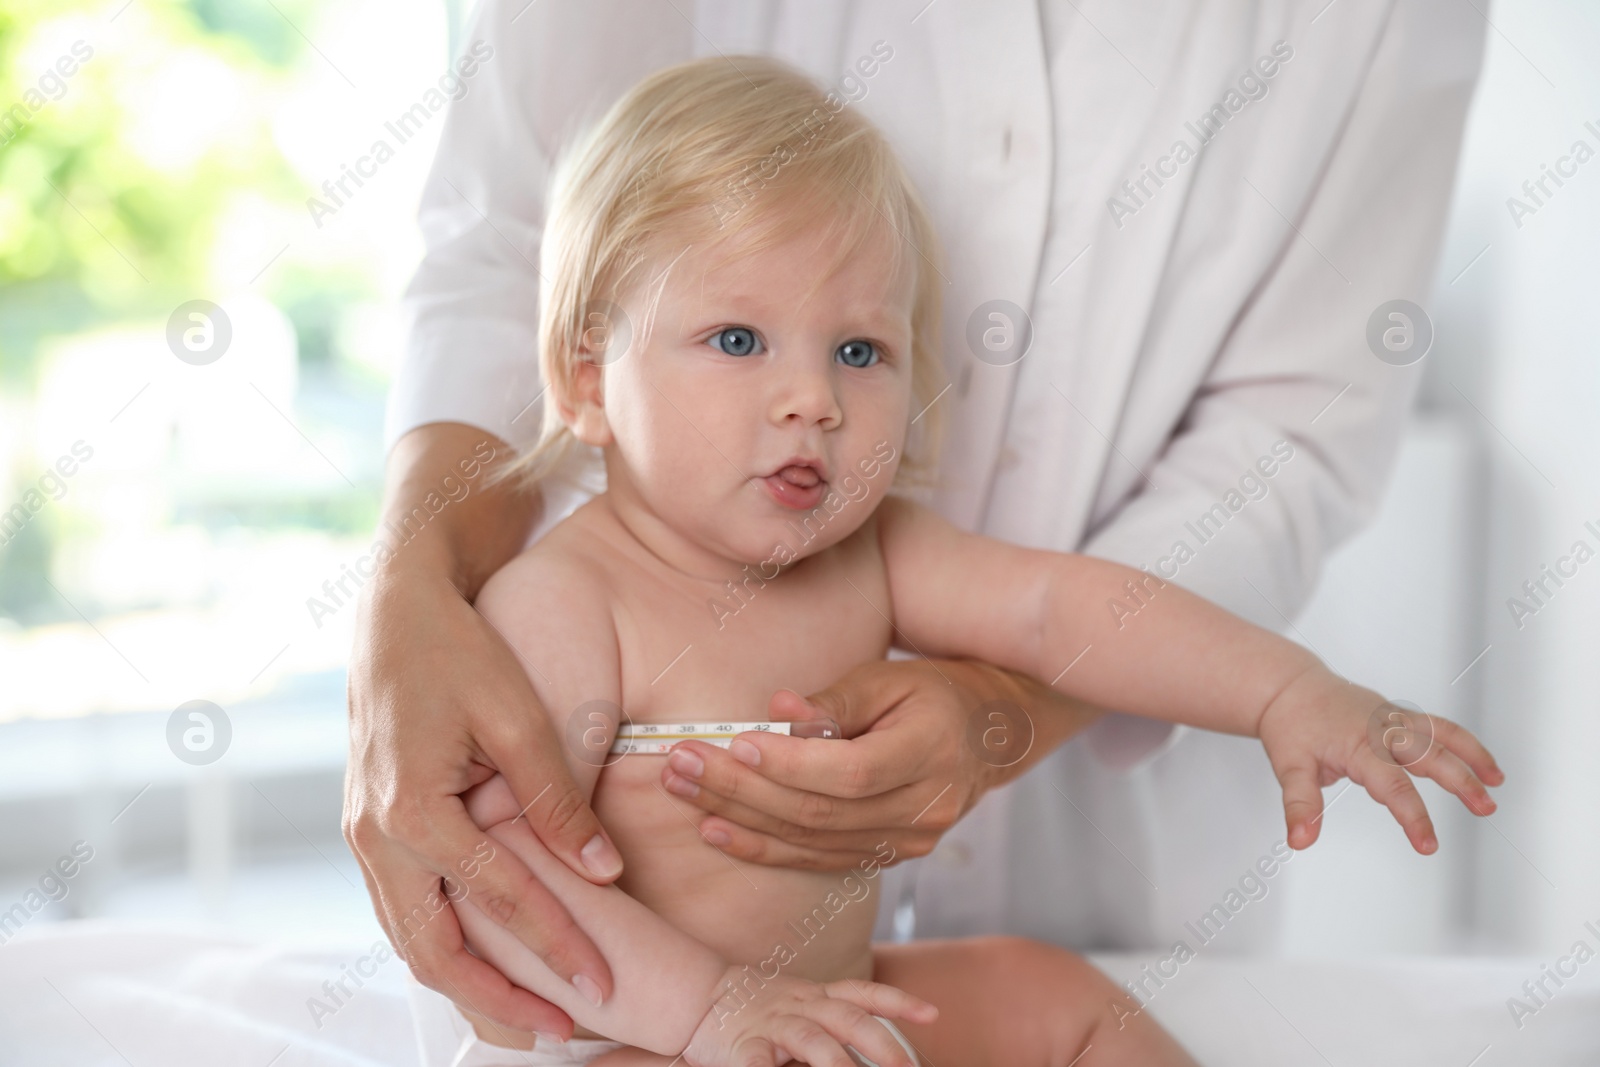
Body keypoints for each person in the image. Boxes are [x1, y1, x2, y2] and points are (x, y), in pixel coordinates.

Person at [346, 0, 1486, 1039]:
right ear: (588, 377)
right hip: (644, 1029)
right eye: (737, 340)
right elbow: (495, 886)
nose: (813, 398)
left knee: (1061, 997)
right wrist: (708, 1010)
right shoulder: (565, 604)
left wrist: (1285, 691)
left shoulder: (871, 554)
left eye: (860, 350)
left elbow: (1068, 606)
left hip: (837, 1006)